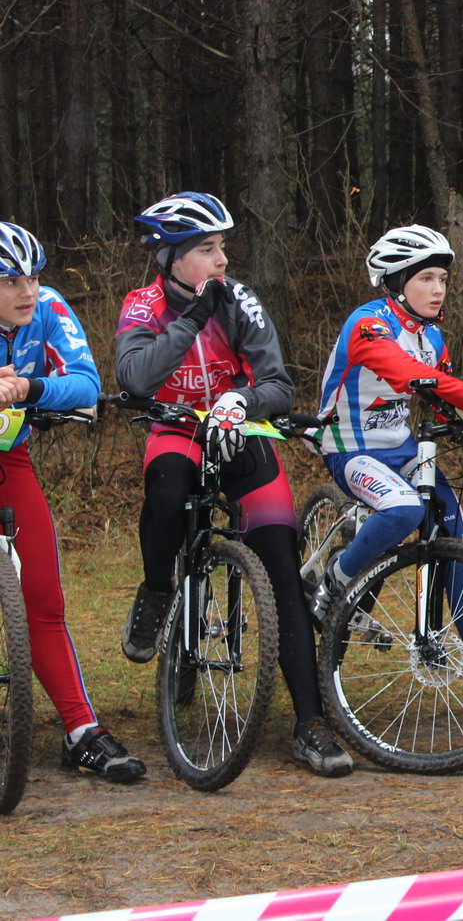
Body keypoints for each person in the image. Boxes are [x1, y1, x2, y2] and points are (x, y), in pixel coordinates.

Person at [115, 192, 352, 777]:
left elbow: (279, 385)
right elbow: (136, 378)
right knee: (167, 490)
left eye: (222, 247)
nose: (222, 260)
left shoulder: (241, 301)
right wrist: (194, 317)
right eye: (206, 249)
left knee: (280, 562)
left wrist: (241, 400)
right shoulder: (143, 305)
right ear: (171, 259)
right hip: (176, 432)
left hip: (240, 433)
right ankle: (157, 591)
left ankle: (309, 722)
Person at [312, 224, 463, 722]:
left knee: (456, 540)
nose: (438, 290)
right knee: (403, 508)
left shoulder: (430, 335)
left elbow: (441, 390)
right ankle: (337, 578)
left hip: (402, 448)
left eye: (443, 280)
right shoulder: (368, 325)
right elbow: (408, 374)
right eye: (426, 279)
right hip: (351, 449)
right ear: (395, 282)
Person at [0, 224, 146, 783]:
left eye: (33, 277)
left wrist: (28, 389)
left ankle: (81, 730)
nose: (28, 291)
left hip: (9, 459)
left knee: (43, 597)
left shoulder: (47, 308)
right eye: (11, 281)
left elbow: (86, 385)